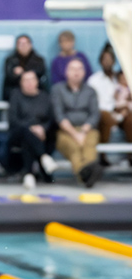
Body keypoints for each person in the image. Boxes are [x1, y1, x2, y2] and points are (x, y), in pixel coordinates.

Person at [51, 58, 102, 187]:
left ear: (84, 72)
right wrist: (75, 134)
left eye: (80, 69)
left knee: (89, 145)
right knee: (74, 147)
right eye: (73, 69)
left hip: (88, 129)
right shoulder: (57, 89)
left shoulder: (91, 91)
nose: (76, 72)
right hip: (66, 130)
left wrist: (84, 131)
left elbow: (94, 114)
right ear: (66, 72)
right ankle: (86, 174)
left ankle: (86, 174)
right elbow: (59, 115)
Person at [8, 69, 58, 192]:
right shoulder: (16, 95)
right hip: (19, 132)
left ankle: (29, 174)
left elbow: (51, 118)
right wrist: (32, 128)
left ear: (37, 81)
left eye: (32, 79)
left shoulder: (45, 96)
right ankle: (43, 157)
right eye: (26, 80)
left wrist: (42, 128)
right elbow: (13, 120)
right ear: (21, 82)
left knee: (29, 140)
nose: (29, 83)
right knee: (26, 133)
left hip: (40, 134)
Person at [87, 44, 132, 160]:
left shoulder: (121, 78)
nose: (107, 62)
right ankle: (103, 156)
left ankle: (132, 157)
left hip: (121, 111)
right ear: (100, 61)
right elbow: (93, 102)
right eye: (104, 59)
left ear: (114, 61)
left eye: (110, 59)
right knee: (105, 117)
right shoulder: (94, 80)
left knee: (132, 119)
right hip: (104, 113)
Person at [1, 34, 47, 99]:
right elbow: (9, 76)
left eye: (25, 43)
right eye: (20, 44)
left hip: (35, 93)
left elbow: (40, 73)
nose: (23, 46)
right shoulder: (10, 60)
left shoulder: (39, 60)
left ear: (30, 45)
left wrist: (22, 72)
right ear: (16, 46)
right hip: (15, 92)